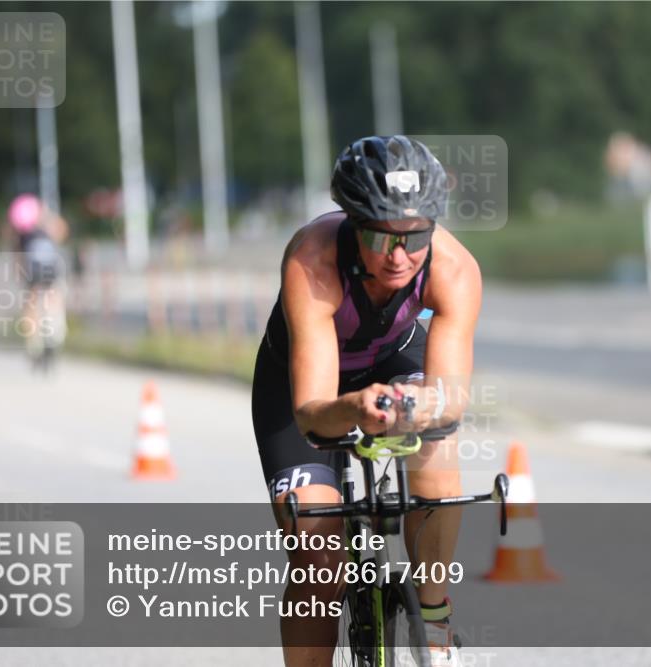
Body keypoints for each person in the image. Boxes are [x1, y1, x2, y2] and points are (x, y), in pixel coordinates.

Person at [253, 135, 481, 667]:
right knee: (319, 555)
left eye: (416, 236)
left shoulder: (454, 269)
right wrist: (356, 409)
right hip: (307, 382)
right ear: (353, 224)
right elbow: (312, 411)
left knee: (437, 459)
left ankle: (434, 617)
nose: (400, 256)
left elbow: (450, 398)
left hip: (393, 358)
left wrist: (420, 408)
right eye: (380, 239)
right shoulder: (311, 260)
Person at [7, 193, 69, 364]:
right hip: (50, 271)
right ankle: (52, 336)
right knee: (51, 303)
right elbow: (63, 231)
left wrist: (19, 273)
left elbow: (18, 258)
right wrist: (48, 216)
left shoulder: (23, 236)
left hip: (34, 272)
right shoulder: (46, 230)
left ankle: (35, 343)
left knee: (32, 306)